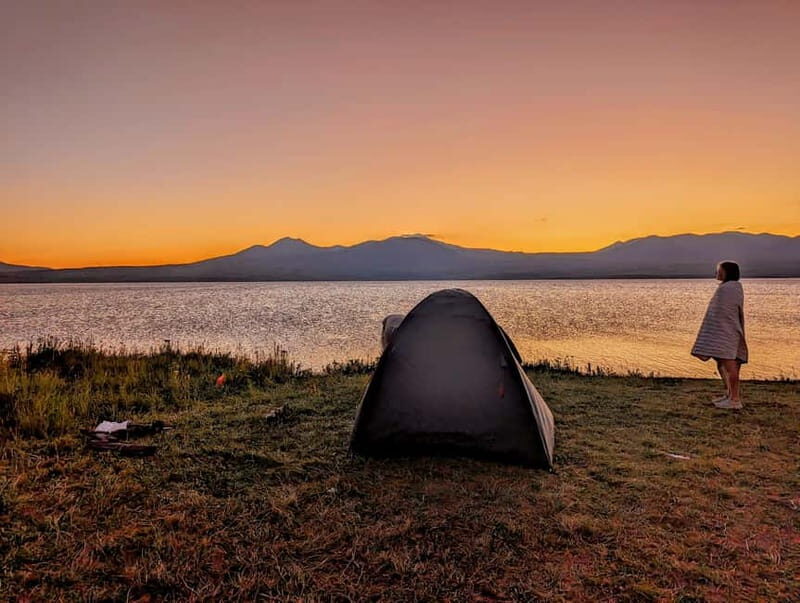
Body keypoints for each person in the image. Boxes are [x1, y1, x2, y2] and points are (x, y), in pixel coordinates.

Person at [691, 261, 749, 409]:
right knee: (721, 363)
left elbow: (726, 314)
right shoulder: (727, 288)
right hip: (723, 331)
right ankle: (729, 394)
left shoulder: (729, 289)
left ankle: (735, 399)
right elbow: (717, 312)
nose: (716, 272)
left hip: (727, 332)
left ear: (726, 272)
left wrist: (722, 330)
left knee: (731, 365)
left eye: (719, 270)